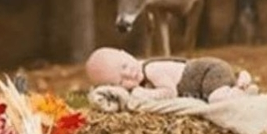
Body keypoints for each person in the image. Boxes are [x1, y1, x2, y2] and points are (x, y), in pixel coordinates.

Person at [84, 47, 256, 103]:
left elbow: (170, 92)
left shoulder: (151, 70)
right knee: (217, 92)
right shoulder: (141, 72)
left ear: (126, 53)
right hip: (204, 77)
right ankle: (238, 80)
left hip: (206, 72)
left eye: (124, 65)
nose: (129, 74)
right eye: (122, 81)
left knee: (217, 99)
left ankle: (243, 93)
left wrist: (144, 94)